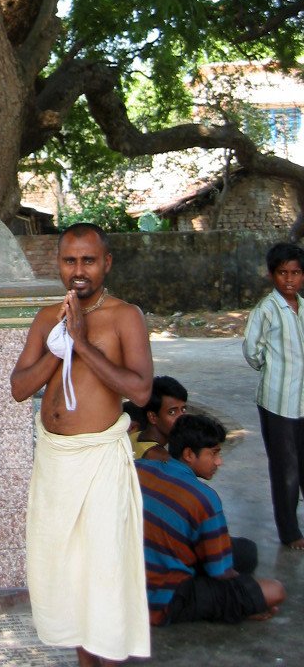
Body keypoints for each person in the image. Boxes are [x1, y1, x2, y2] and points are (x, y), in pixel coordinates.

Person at [10, 222, 153, 667]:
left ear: (106, 263)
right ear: (58, 264)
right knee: (69, 575)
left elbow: (142, 391)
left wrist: (83, 344)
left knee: (102, 578)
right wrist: (59, 343)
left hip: (99, 465)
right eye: (70, 260)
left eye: (88, 260)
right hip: (56, 464)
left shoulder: (125, 317)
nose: (79, 270)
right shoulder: (46, 317)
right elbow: (19, 388)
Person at [137, 413, 285, 625]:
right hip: (165, 599)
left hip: (135, 577)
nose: (219, 461)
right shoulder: (204, 499)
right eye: (213, 453)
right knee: (274, 590)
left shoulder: (140, 468)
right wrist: (242, 598)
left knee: (246, 551)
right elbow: (221, 573)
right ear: (189, 454)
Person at [242, 241, 304, 550]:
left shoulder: (303, 308)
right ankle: (290, 532)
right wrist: (273, 369)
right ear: (272, 275)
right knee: (285, 468)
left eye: (295, 273)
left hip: (302, 401)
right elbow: (252, 351)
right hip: (277, 401)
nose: (289, 280)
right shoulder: (266, 311)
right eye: (283, 273)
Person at [130, 375, 188, 461]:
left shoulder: (134, 435)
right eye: (172, 412)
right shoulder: (160, 458)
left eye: (183, 409)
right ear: (153, 417)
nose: (182, 417)